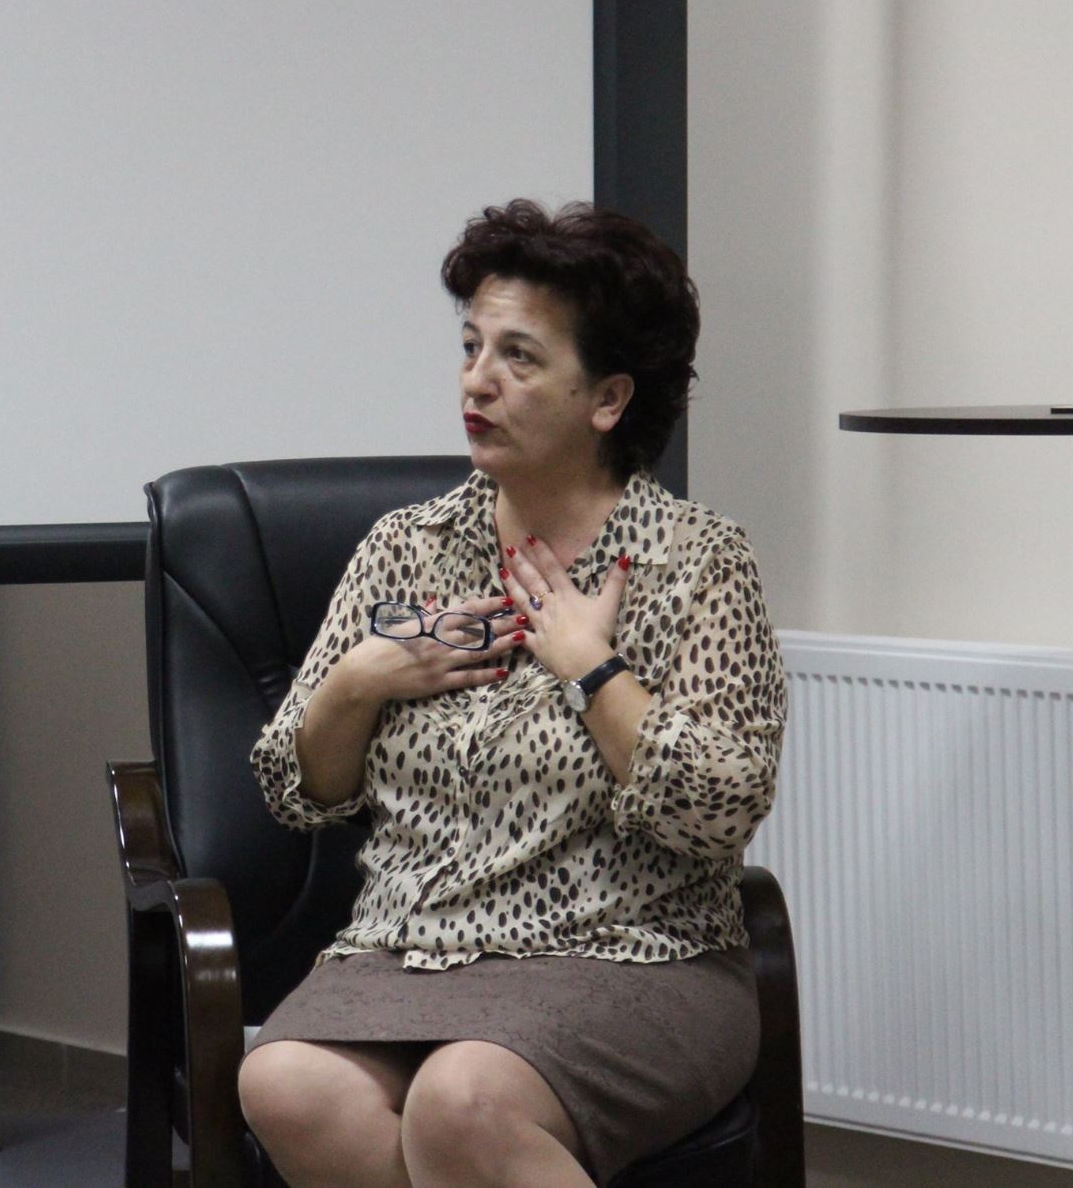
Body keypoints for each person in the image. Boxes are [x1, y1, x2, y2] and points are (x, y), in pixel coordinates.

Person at [236, 201, 785, 1188]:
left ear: (607, 398)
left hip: (633, 950)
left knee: (463, 1101)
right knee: (283, 1083)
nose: (475, 380)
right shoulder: (407, 549)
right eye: (470, 347)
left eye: (518, 357)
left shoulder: (695, 562)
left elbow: (719, 808)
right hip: (410, 944)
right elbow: (293, 787)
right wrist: (360, 680)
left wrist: (592, 670)